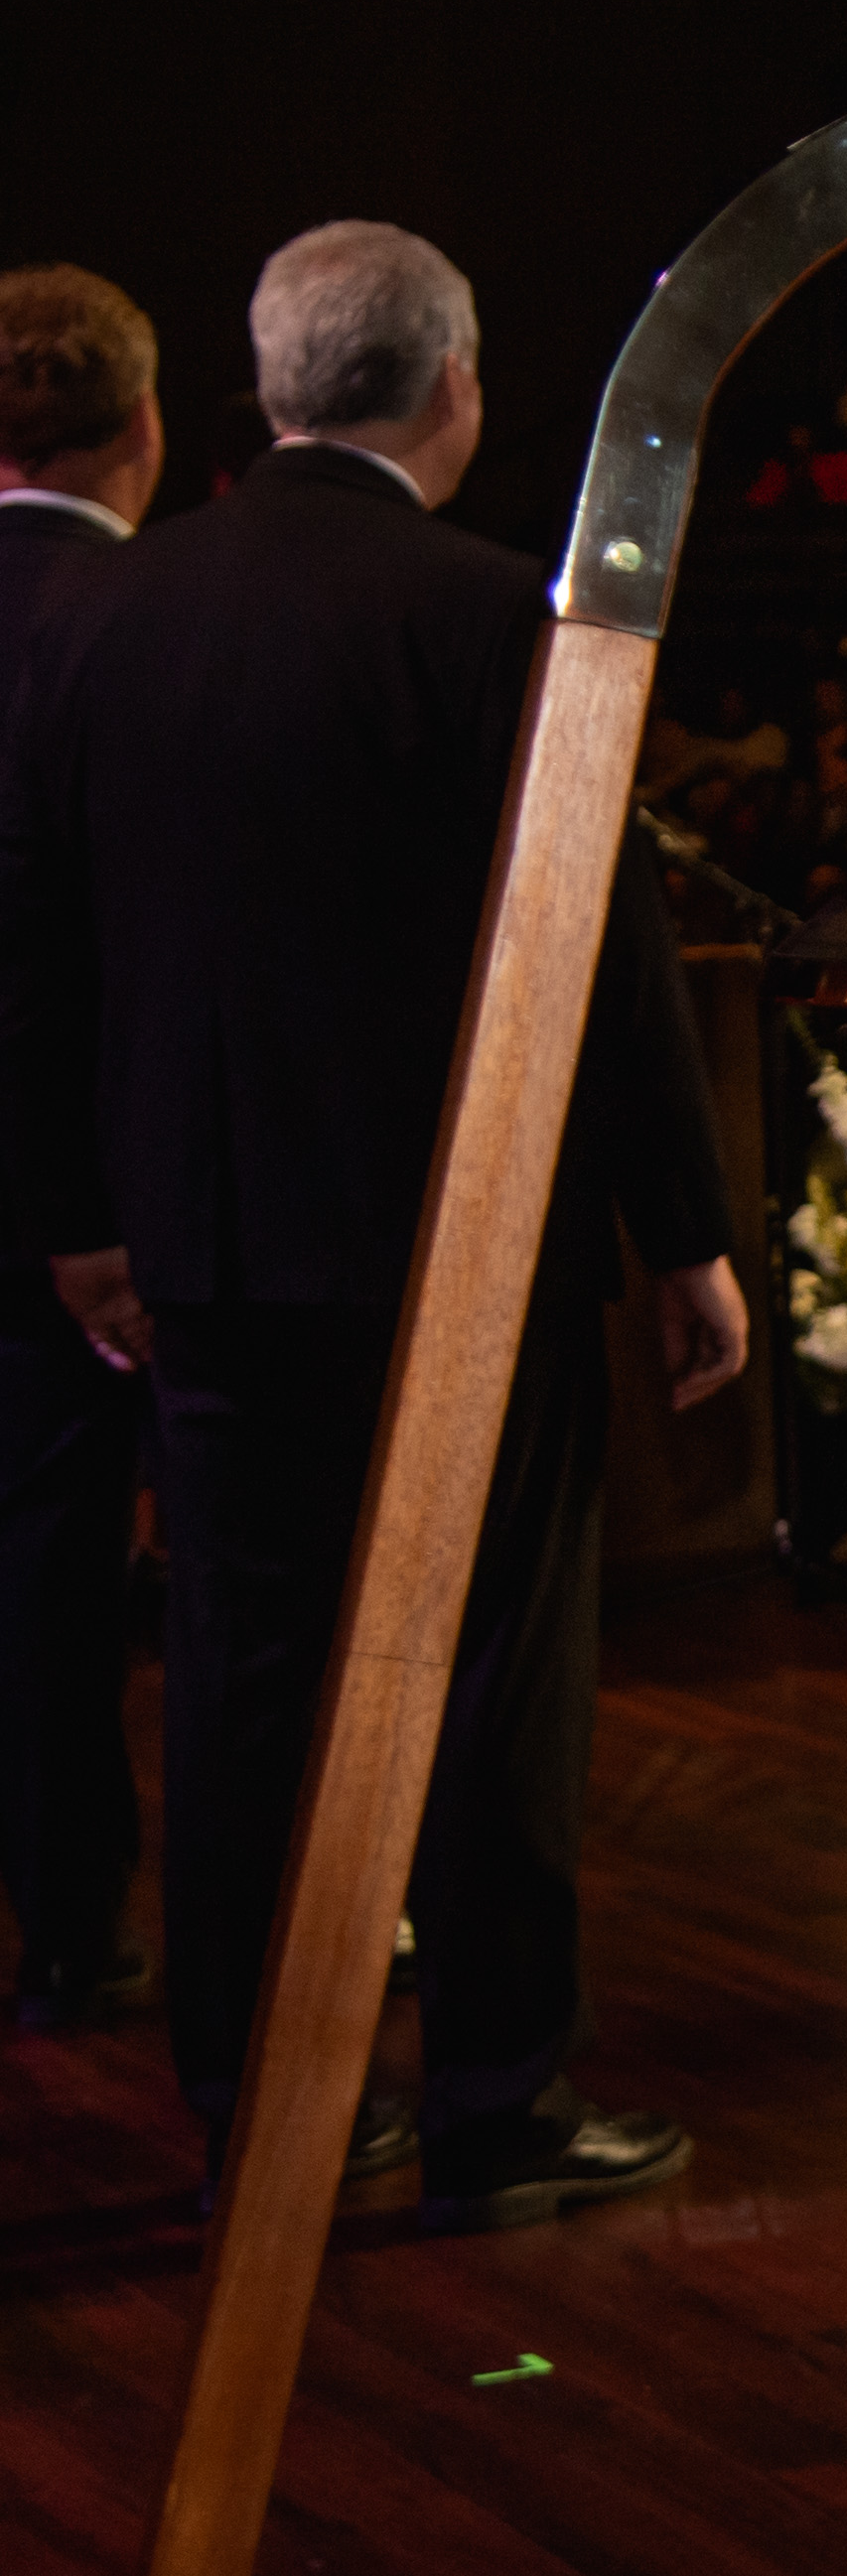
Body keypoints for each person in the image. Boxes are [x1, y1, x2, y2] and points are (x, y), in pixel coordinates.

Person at [0, 222, 752, 2221]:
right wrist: (684, 1228)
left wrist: (83, 1217)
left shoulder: (107, 617)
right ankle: (498, 2093)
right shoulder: (500, 609)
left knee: (245, 1675)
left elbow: (40, 941)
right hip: (458, 1241)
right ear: (456, 387)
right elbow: (602, 942)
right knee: (499, 1666)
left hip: (214, 1252)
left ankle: (272, 2100)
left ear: (255, 391)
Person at [0, 265, 163, 2030]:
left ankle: (67, 1911)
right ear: (144, 429)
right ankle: (87, 1919)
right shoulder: (152, 618)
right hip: (133, 1193)